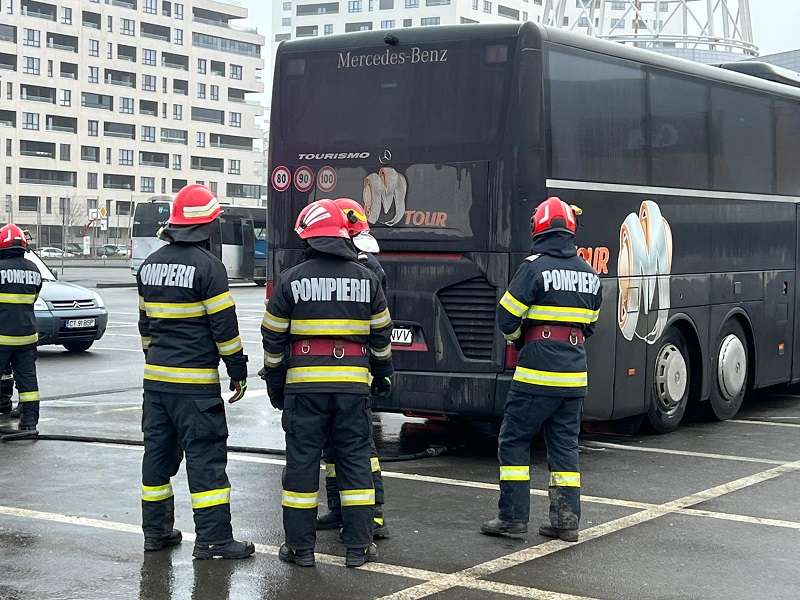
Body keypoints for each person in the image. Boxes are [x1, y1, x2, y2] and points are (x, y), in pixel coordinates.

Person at [261, 199, 394, 568]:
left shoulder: (291, 279)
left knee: (302, 464)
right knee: (354, 462)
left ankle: (300, 549)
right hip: (353, 388)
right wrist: (383, 376)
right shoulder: (367, 278)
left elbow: (272, 337)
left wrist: (276, 382)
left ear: (308, 238)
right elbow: (381, 336)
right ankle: (358, 547)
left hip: (303, 389)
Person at [137, 184, 254, 559]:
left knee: (156, 458)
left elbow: (145, 329)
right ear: (207, 225)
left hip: (156, 385)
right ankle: (214, 540)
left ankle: (156, 533)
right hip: (196, 389)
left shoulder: (149, 265)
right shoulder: (209, 268)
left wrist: (156, 364)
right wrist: (238, 371)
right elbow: (225, 330)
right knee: (205, 462)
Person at [481, 197, 602, 542]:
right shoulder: (589, 274)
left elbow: (506, 317)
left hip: (536, 374)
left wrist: (522, 339)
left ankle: (513, 518)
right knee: (564, 446)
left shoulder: (533, 268)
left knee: (514, 440)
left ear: (539, 228)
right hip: (574, 377)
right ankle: (566, 523)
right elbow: (589, 326)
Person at [316, 197, 389, 540]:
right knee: (333, 448)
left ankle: (372, 515)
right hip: (340, 371)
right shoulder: (361, 265)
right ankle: (339, 508)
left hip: (355, 370)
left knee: (362, 449)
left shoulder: (367, 268)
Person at [0, 223, 43, 432]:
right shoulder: (34, 270)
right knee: (28, 383)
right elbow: (33, 299)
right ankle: (29, 422)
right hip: (26, 337)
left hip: (1, 338)